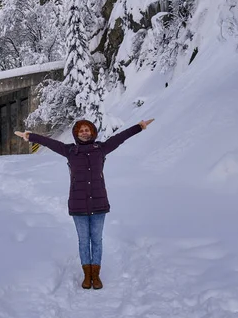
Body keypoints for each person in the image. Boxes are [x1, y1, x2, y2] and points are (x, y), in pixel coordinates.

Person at [15, 118, 154, 289]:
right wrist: (30, 136)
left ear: (93, 132)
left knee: (96, 239)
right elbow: (49, 142)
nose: (84, 132)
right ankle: (87, 276)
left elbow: (120, 138)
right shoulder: (70, 151)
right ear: (76, 133)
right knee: (83, 240)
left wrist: (139, 127)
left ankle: (96, 275)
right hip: (78, 203)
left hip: (99, 202)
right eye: (81, 130)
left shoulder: (101, 149)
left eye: (87, 129)